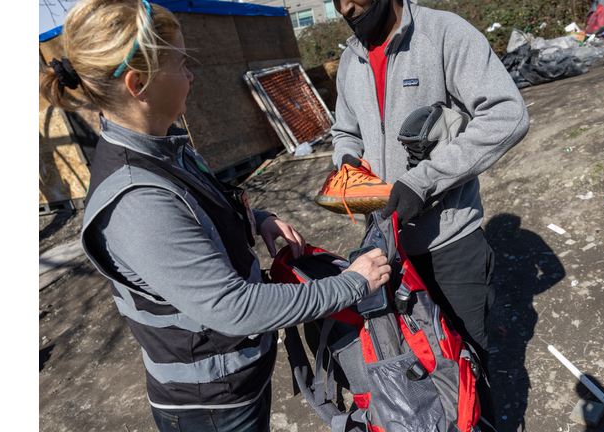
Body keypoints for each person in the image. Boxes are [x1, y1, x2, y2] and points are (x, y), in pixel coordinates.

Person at [39, 1, 391, 431]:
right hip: (212, 405)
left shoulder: (164, 143)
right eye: (182, 63)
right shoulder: (137, 199)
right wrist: (351, 284)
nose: (190, 74)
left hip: (238, 377)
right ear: (138, 84)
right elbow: (235, 309)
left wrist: (255, 217)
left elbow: (199, 211)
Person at [329, 0, 530, 428]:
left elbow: (507, 114)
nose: (346, 5)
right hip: (387, 251)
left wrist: (425, 180)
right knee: (418, 369)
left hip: (451, 248)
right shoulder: (351, 57)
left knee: (467, 370)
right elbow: (345, 130)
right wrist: (347, 162)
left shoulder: (444, 33)